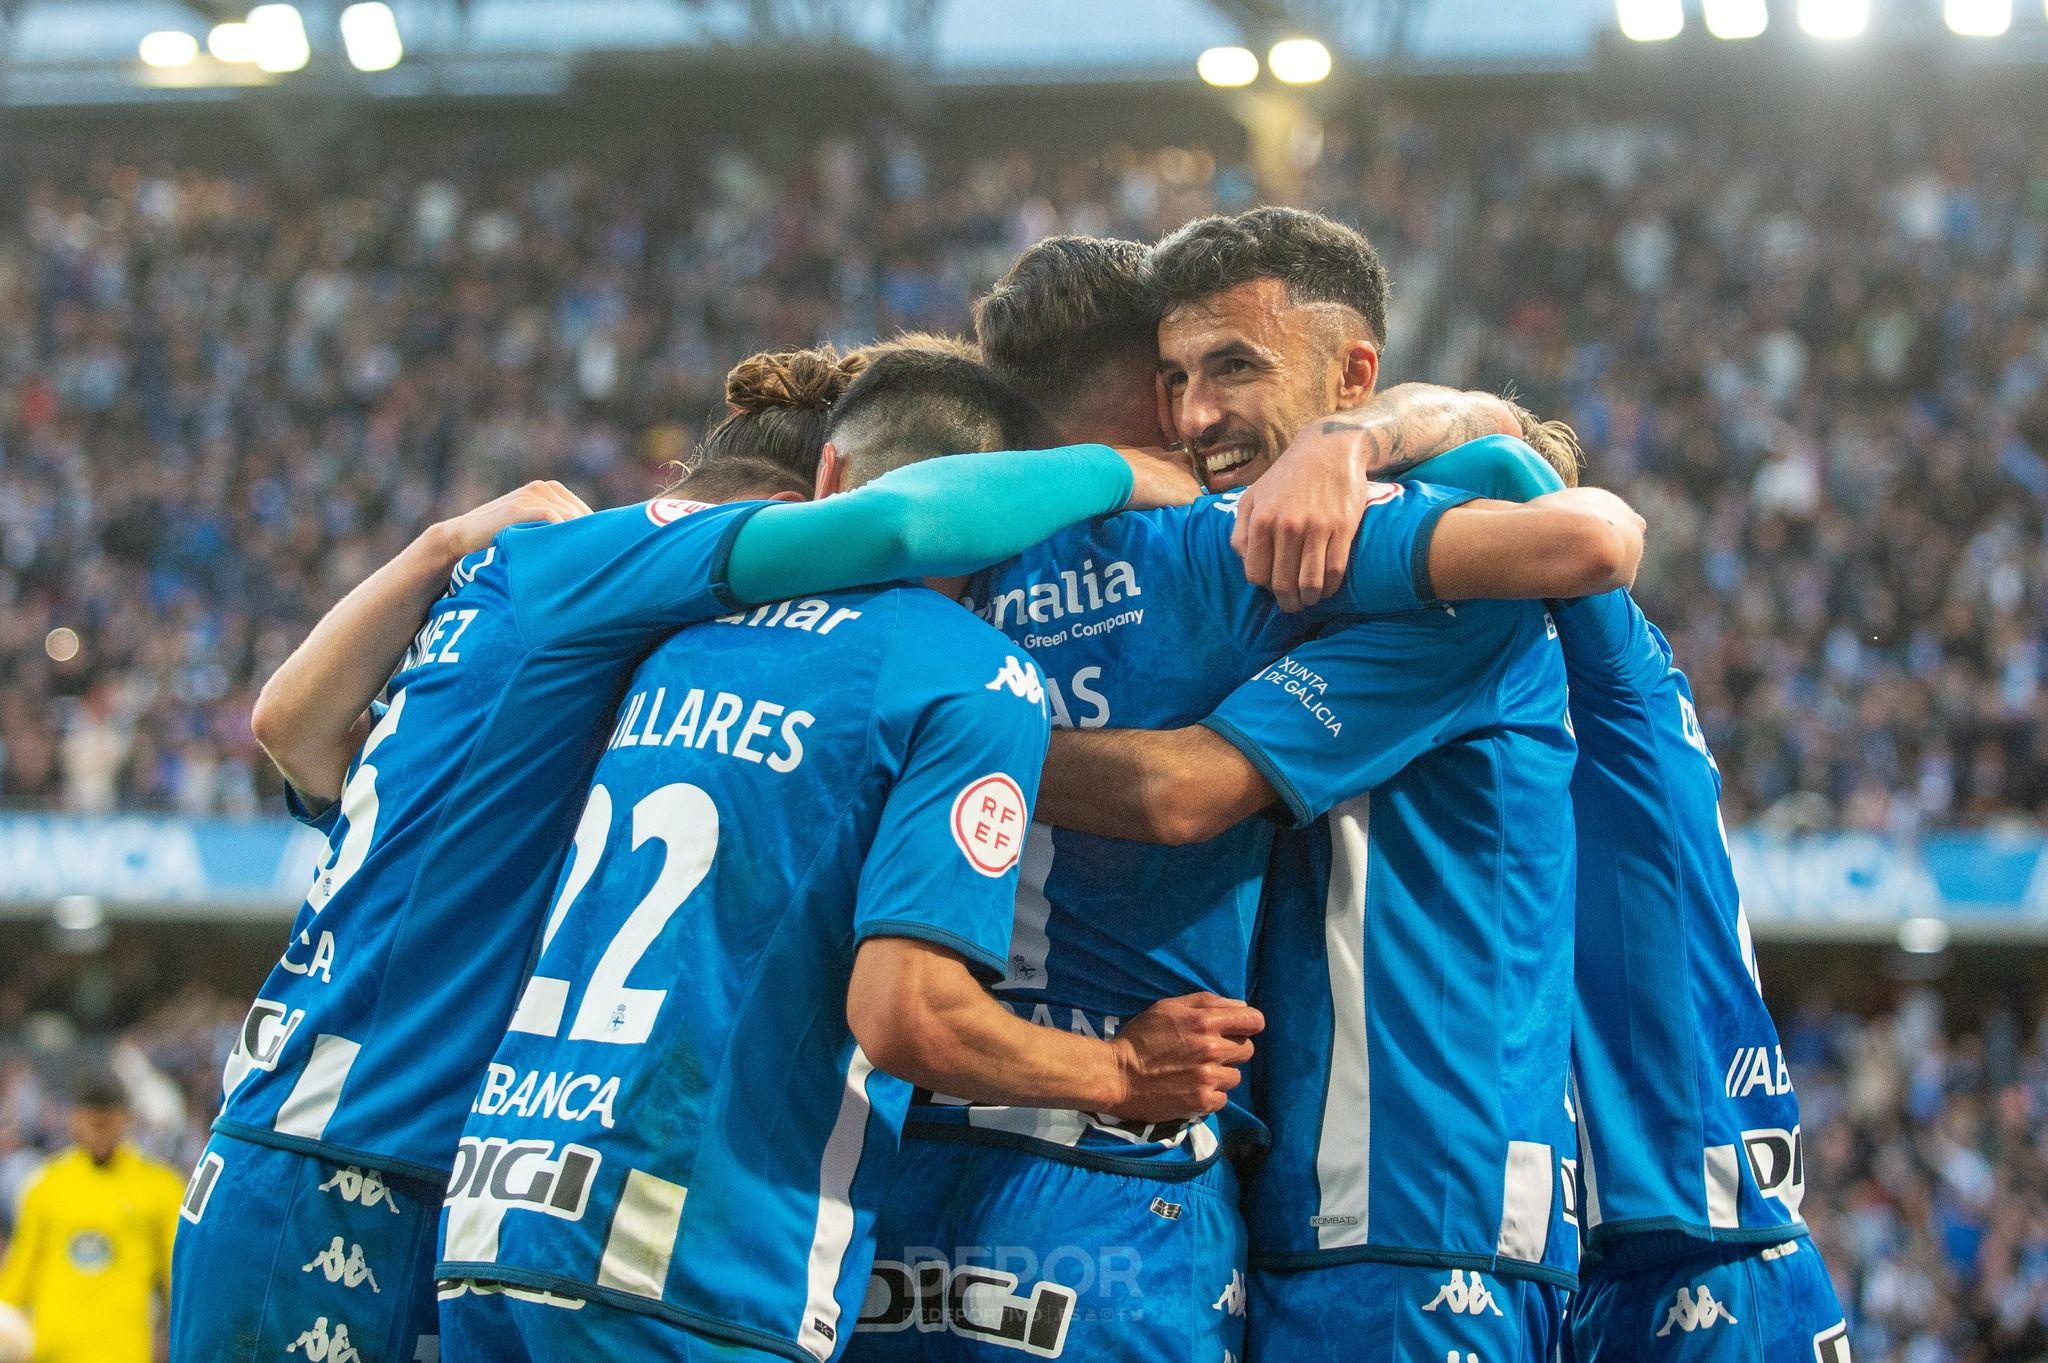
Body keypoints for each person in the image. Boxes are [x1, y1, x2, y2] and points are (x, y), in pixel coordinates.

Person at [168, 347, 1204, 1363]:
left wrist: (439, 543)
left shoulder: (516, 602)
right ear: (811, 500)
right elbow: (895, 525)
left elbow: (289, 729)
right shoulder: (632, 560)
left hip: (335, 1155)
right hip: (373, 1166)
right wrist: (1119, 469)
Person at [847, 235, 1639, 1361]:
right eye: (1174, 381)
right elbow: (1583, 527)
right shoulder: (1223, 549)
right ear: (1140, 387)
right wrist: (1352, 440)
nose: (1196, 416)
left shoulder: (896, 587)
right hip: (1166, 1197)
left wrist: (912, 751)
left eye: (1226, 372)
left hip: (894, 1191)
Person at [1499, 425, 1849, 1363]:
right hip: (1623, 1259)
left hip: (1709, 1248)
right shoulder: (1544, 715)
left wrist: (1354, 444)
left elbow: (1553, 505)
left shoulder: (1621, 677)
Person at [0, 1071, 182, 1363]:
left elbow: (178, 1276)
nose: (99, 1133)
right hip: (53, 1351)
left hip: (124, 1351)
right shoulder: (47, 1185)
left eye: (107, 1124)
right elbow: (20, 1271)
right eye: (90, 1123)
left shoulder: (160, 1188)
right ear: (74, 1120)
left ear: (125, 1120)